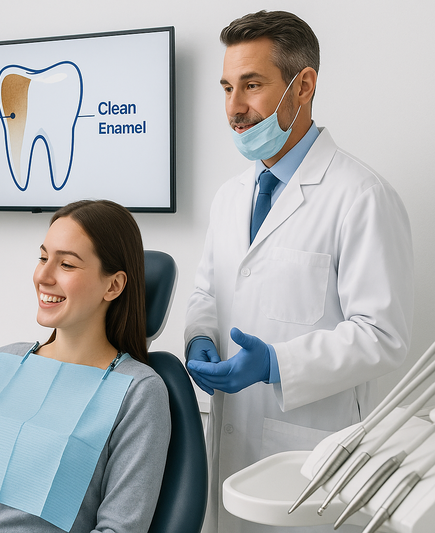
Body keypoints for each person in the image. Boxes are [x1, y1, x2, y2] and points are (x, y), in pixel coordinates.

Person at [184, 10, 414, 533]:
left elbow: (383, 337)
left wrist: (277, 364)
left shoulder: (362, 197)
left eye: (252, 85)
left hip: (309, 466)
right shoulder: (229, 197)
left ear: (303, 85)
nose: (234, 109)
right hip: (229, 453)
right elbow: (206, 292)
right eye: (227, 88)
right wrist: (199, 336)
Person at [0, 200, 170, 533]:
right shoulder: (2, 363)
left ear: (113, 286)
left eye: (66, 264)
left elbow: (118, 528)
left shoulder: (137, 391)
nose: (43, 276)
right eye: (43, 258)